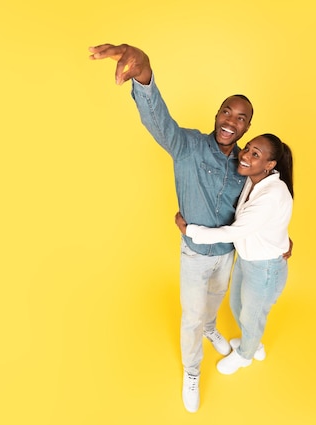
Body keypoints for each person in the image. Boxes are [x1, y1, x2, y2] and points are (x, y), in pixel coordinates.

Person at [89, 43, 272, 413]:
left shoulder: (247, 163)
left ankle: (211, 328)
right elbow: (158, 121)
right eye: (226, 111)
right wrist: (144, 75)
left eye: (240, 118)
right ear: (217, 113)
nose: (230, 120)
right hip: (194, 254)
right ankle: (192, 369)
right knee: (190, 316)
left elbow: (267, 200)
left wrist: (280, 237)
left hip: (226, 254)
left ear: (246, 127)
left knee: (215, 301)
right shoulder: (187, 145)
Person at [175, 133, 294, 377]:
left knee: (252, 315)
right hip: (247, 260)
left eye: (255, 154)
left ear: (270, 164)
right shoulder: (255, 178)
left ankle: (245, 355)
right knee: (237, 305)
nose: (245, 155)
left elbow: (235, 230)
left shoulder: (272, 193)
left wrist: (190, 231)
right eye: (248, 148)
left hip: (265, 267)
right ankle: (253, 343)